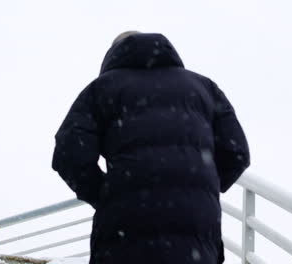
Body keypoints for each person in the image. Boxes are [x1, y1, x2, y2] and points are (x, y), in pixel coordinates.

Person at [52, 31, 250, 264]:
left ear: (112, 55)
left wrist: (103, 194)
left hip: (126, 224)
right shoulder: (204, 88)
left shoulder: (101, 90)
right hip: (195, 223)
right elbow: (236, 153)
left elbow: (69, 153)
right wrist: (200, 186)